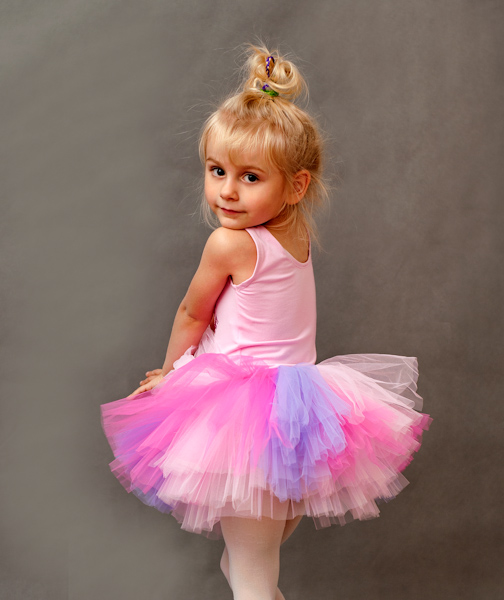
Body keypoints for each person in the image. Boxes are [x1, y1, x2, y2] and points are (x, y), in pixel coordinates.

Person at [100, 43, 432, 600]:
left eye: (250, 177)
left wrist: (169, 374)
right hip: (300, 415)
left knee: (252, 572)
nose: (227, 191)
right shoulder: (295, 231)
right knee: (251, 563)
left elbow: (192, 312)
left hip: (249, 417)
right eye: (217, 171)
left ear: (296, 187)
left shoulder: (229, 243)